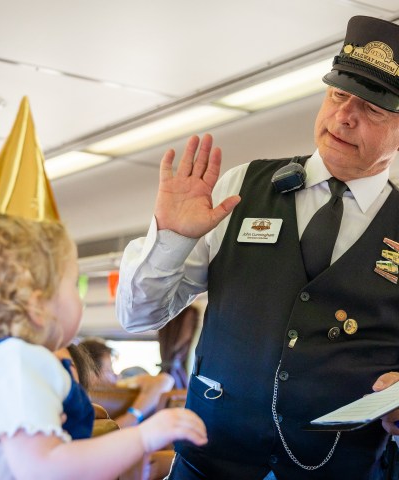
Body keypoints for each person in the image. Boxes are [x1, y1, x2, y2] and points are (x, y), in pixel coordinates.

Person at [116, 15, 399, 480]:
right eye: (338, 94)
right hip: (210, 462)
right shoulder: (242, 186)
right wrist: (172, 238)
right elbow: (137, 316)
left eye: (372, 108)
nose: (345, 115)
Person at [0, 97, 207, 480]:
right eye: (71, 284)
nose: (79, 298)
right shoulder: (17, 362)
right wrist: (143, 437)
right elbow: (44, 467)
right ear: (37, 303)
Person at [80, 337, 175, 427]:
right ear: (90, 374)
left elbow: (165, 380)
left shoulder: (121, 383)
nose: (116, 375)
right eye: (109, 370)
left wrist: (131, 418)